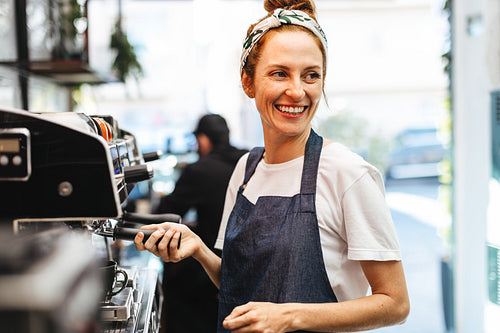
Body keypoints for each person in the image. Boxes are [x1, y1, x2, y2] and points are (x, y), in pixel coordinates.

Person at [135, 0, 410, 332]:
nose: (296, 91)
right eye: (280, 73)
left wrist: (291, 316)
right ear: (248, 82)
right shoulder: (245, 169)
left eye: (311, 75)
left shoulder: (347, 174)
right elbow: (243, 289)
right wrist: (199, 250)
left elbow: (395, 303)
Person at [153, 113, 248, 333]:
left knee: (174, 277)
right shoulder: (250, 162)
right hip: (248, 264)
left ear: (204, 139)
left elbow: (165, 213)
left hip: (209, 270)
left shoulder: (200, 169)